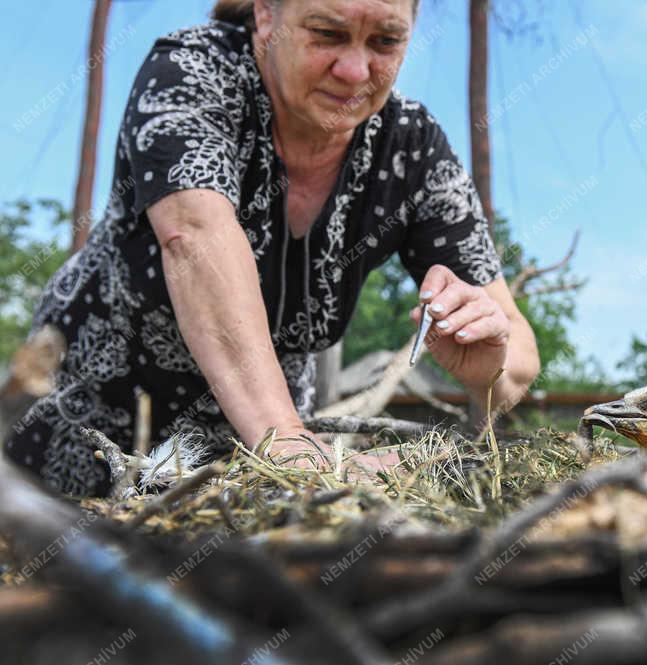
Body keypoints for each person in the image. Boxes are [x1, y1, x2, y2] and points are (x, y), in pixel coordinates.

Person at [4, 0, 540, 496]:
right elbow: (194, 237)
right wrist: (288, 445)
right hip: (91, 428)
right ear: (265, 14)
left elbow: (516, 354)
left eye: (385, 42)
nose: (355, 70)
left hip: (247, 462)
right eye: (327, 33)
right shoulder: (194, 70)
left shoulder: (411, 147)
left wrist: (486, 364)